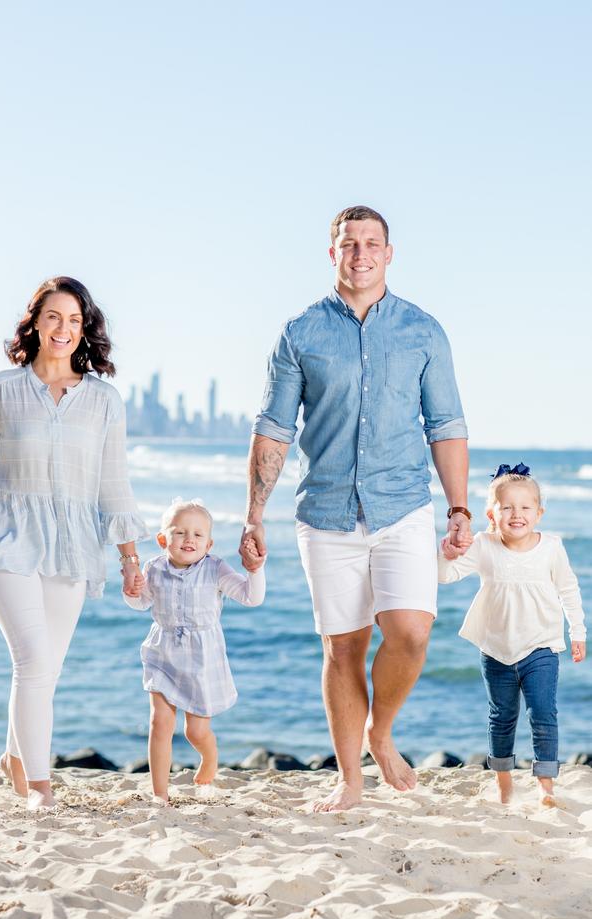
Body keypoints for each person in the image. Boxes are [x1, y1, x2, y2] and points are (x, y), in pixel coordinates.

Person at [239, 204, 471, 812]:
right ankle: (349, 778)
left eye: (372, 243)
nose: (361, 254)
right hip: (326, 514)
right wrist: (253, 515)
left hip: (403, 508)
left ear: (389, 254)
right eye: (349, 244)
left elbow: (446, 426)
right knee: (343, 647)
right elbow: (273, 430)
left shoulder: (423, 331)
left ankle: (381, 728)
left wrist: (460, 509)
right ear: (333, 253)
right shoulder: (301, 332)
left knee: (412, 633)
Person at [0, 276, 147, 810]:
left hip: (74, 544)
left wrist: (130, 557)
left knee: (46, 671)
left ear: (86, 330)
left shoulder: (104, 401)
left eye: (75, 320)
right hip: (4, 536)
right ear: (35, 321)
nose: (64, 329)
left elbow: (113, 483)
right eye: (54, 317)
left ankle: (15, 756)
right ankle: (39, 786)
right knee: (33, 660)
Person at [438, 465, 586, 806]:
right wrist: (446, 555)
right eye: (507, 507)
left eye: (525, 507)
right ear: (492, 513)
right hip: (496, 650)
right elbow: (447, 576)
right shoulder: (484, 545)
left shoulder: (551, 547)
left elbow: (569, 590)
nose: (516, 514)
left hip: (541, 647)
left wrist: (577, 631)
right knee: (501, 717)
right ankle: (504, 781)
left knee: (544, 713)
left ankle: (545, 787)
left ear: (539, 513)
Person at [124, 498, 265, 805]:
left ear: (209, 543)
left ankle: (210, 758)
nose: (189, 539)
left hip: (202, 658)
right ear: (164, 539)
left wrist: (255, 570)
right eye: (180, 532)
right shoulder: (154, 568)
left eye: (198, 535)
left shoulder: (215, 569)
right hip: (163, 653)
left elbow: (250, 597)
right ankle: (159, 794)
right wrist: (132, 590)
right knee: (159, 722)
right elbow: (141, 602)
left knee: (196, 732)